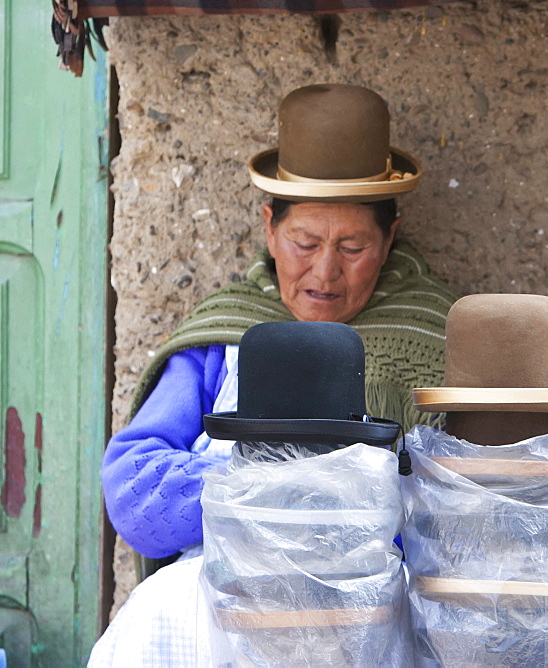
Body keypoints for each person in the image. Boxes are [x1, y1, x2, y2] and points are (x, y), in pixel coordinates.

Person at [90, 83, 455, 665]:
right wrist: (260, 493)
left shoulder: (438, 340)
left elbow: (459, 514)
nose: (325, 272)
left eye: (353, 246)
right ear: (269, 228)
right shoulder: (225, 335)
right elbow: (135, 493)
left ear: (391, 238)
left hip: (371, 609)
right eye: (304, 242)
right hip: (219, 600)